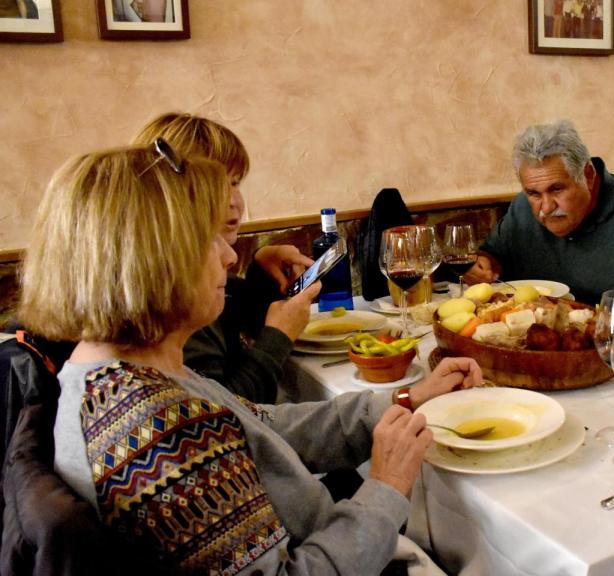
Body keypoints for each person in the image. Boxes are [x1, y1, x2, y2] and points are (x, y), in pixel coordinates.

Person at [17, 143, 482, 574]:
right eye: (209, 239)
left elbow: (267, 427)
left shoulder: (127, 369)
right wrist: (386, 487)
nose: (228, 256)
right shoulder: (154, 432)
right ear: (152, 261)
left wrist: (407, 398)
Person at [133, 112, 315, 404]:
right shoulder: (172, 295)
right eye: (216, 186)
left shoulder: (201, 269)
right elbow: (224, 411)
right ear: (169, 193)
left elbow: (250, 322)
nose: (233, 201)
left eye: (235, 183)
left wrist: (261, 269)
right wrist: (278, 338)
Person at [464, 120, 614, 303]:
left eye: (557, 189)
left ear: (588, 176)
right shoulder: (522, 208)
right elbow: (492, 258)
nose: (546, 207)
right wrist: (482, 266)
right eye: (533, 193)